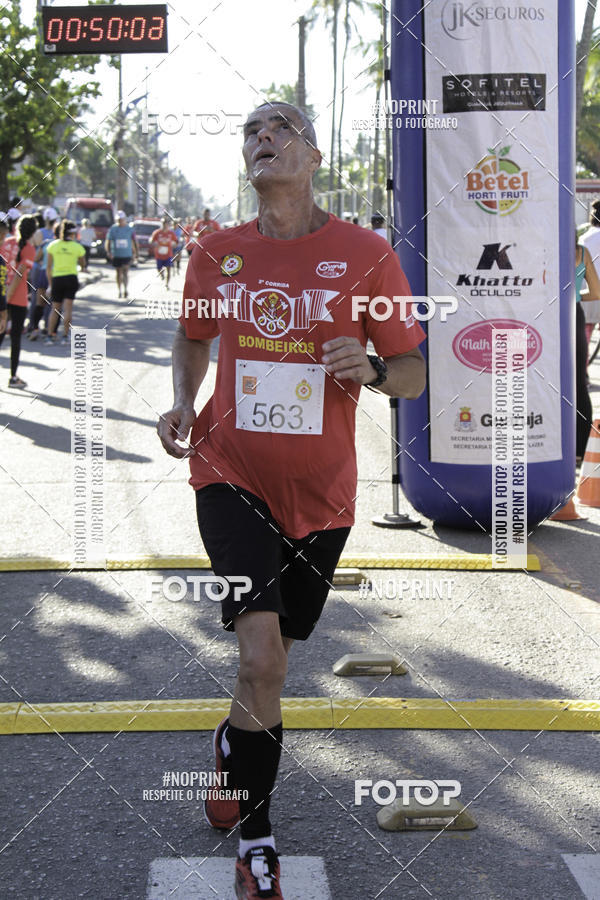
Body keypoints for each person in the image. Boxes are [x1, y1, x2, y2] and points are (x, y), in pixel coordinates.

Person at [157, 100, 426, 900]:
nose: (262, 138)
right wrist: (183, 398)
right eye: (251, 130)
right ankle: (257, 841)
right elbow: (195, 336)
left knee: (270, 667)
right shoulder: (216, 251)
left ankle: (232, 746)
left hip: (321, 493)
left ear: (312, 155)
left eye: (280, 127)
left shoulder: (367, 255)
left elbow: (412, 372)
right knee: (260, 656)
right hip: (228, 470)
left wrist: (372, 371)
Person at [0, 214, 37, 387]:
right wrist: (7, 300)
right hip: (17, 297)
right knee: (15, 338)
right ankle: (13, 377)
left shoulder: (6, 242)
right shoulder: (29, 248)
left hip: (3, 294)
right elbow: (19, 274)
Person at [575, 235, 600, 458]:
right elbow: (596, 292)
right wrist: (573, 295)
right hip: (574, 315)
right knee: (579, 382)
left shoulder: (540, 250)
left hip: (543, 317)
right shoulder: (580, 252)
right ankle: (582, 446)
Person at [45, 219, 86, 344]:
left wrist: (50, 285)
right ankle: (65, 336)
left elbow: (48, 267)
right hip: (71, 278)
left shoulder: (53, 245)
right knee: (68, 309)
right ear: (73, 233)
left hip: (57, 279)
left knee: (55, 309)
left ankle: (49, 336)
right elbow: (83, 264)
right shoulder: (77, 247)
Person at [105, 210, 138, 298]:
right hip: (116, 254)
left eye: (121, 219)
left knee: (125, 271)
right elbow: (108, 240)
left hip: (127, 254)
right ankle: (119, 290)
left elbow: (134, 241)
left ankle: (125, 289)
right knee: (118, 272)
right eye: (118, 220)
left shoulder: (130, 229)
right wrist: (108, 252)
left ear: (124, 219)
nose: (120, 221)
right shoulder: (113, 229)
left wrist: (136, 253)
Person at [149, 217, 179, 289]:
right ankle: (161, 275)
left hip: (168, 254)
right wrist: (154, 243)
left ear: (168, 224)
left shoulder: (171, 233)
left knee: (168, 269)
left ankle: (166, 284)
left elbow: (176, 242)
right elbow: (151, 240)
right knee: (159, 269)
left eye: (166, 223)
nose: (164, 225)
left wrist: (174, 244)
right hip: (159, 255)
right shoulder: (157, 232)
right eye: (163, 223)